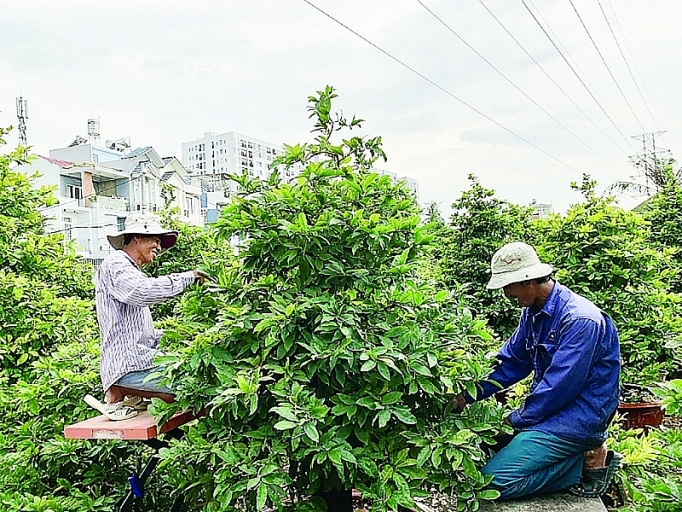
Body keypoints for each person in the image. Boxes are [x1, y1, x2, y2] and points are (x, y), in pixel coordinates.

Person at [453, 242, 621, 499]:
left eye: (509, 287)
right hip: (549, 415)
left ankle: (583, 461)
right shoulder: (533, 312)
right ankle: (569, 457)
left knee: (488, 486)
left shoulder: (580, 319)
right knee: (481, 454)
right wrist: (466, 395)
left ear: (528, 281)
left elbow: (559, 387)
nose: (507, 295)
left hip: (576, 420)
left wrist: (514, 420)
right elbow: (512, 362)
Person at [93, 213, 204, 414]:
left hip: (137, 362)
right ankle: (121, 391)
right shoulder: (116, 263)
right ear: (136, 237)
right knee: (193, 387)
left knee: (190, 387)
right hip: (128, 366)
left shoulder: (131, 271)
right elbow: (143, 291)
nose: (159, 247)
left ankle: (124, 395)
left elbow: (142, 334)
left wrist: (184, 336)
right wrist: (189, 277)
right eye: (154, 240)